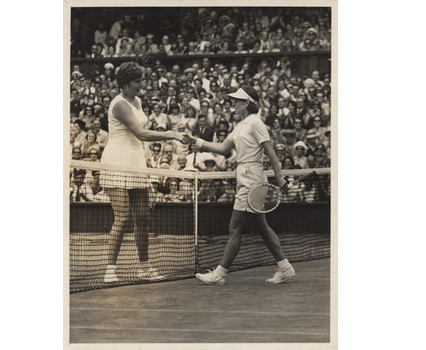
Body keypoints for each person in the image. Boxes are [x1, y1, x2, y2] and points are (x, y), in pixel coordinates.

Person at [187, 86, 295, 285]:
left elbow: (271, 153)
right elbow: (222, 148)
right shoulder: (241, 125)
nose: (233, 103)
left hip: (252, 179)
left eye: (238, 100)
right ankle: (285, 267)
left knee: (234, 226)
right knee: (261, 226)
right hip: (244, 176)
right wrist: (198, 142)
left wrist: (279, 179)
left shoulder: (255, 123)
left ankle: (219, 273)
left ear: (247, 103)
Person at [100, 62, 188, 283]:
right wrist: (171, 134)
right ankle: (110, 269)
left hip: (136, 161)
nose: (141, 85)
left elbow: (140, 139)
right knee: (122, 217)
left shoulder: (136, 101)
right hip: (117, 162)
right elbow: (141, 133)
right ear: (126, 83)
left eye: (141, 80)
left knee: (143, 217)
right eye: (137, 81)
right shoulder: (119, 105)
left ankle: (144, 268)